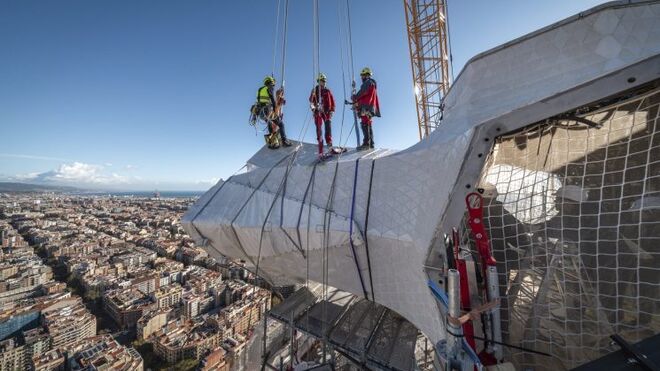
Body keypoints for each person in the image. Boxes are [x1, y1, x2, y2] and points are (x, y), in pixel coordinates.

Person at [256, 76, 292, 148]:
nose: (273, 85)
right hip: (267, 111)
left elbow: (260, 100)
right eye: (273, 82)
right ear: (271, 82)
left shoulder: (260, 89)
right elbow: (272, 99)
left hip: (261, 113)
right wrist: (276, 108)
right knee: (281, 124)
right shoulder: (269, 88)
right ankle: (284, 141)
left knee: (269, 124)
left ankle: (273, 143)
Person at [352, 67, 380, 150]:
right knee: (367, 123)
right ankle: (370, 144)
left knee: (365, 123)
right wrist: (357, 104)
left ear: (367, 75)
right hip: (368, 106)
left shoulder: (368, 83)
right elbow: (365, 96)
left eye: (362, 75)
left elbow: (363, 93)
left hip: (366, 106)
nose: (361, 77)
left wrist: (355, 97)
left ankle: (366, 143)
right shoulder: (371, 84)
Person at [309, 73, 336, 155]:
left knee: (328, 126)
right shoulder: (315, 90)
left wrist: (332, 110)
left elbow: (332, 101)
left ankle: (329, 143)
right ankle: (320, 145)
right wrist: (313, 107)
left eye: (324, 81)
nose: (323, 82)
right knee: (318, 127)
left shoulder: (327, 91)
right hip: (317, 111)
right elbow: (311, 100)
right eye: (322, 81)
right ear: (318, 82)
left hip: (326, 111)